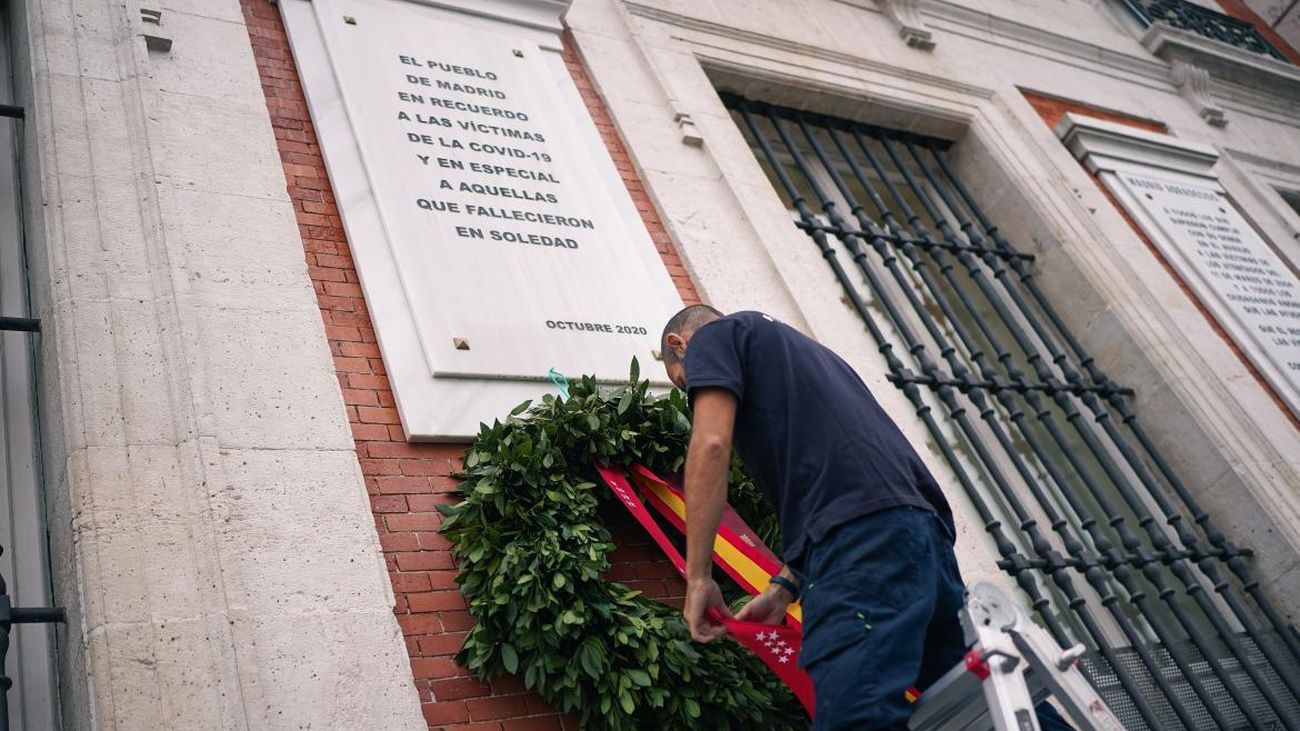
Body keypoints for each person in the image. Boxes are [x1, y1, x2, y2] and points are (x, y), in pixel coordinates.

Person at [661, 305, 1070, 731]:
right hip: (919, 539)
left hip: (864, 548)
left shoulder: (712, 337)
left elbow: (710, 446)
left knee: (853, 714)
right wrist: (783, 591)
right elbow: (848, 478)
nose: (694, 393)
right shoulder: (810, 357)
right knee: (987, 699)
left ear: (680, 345)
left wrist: (699, 578)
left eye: (683, 382)